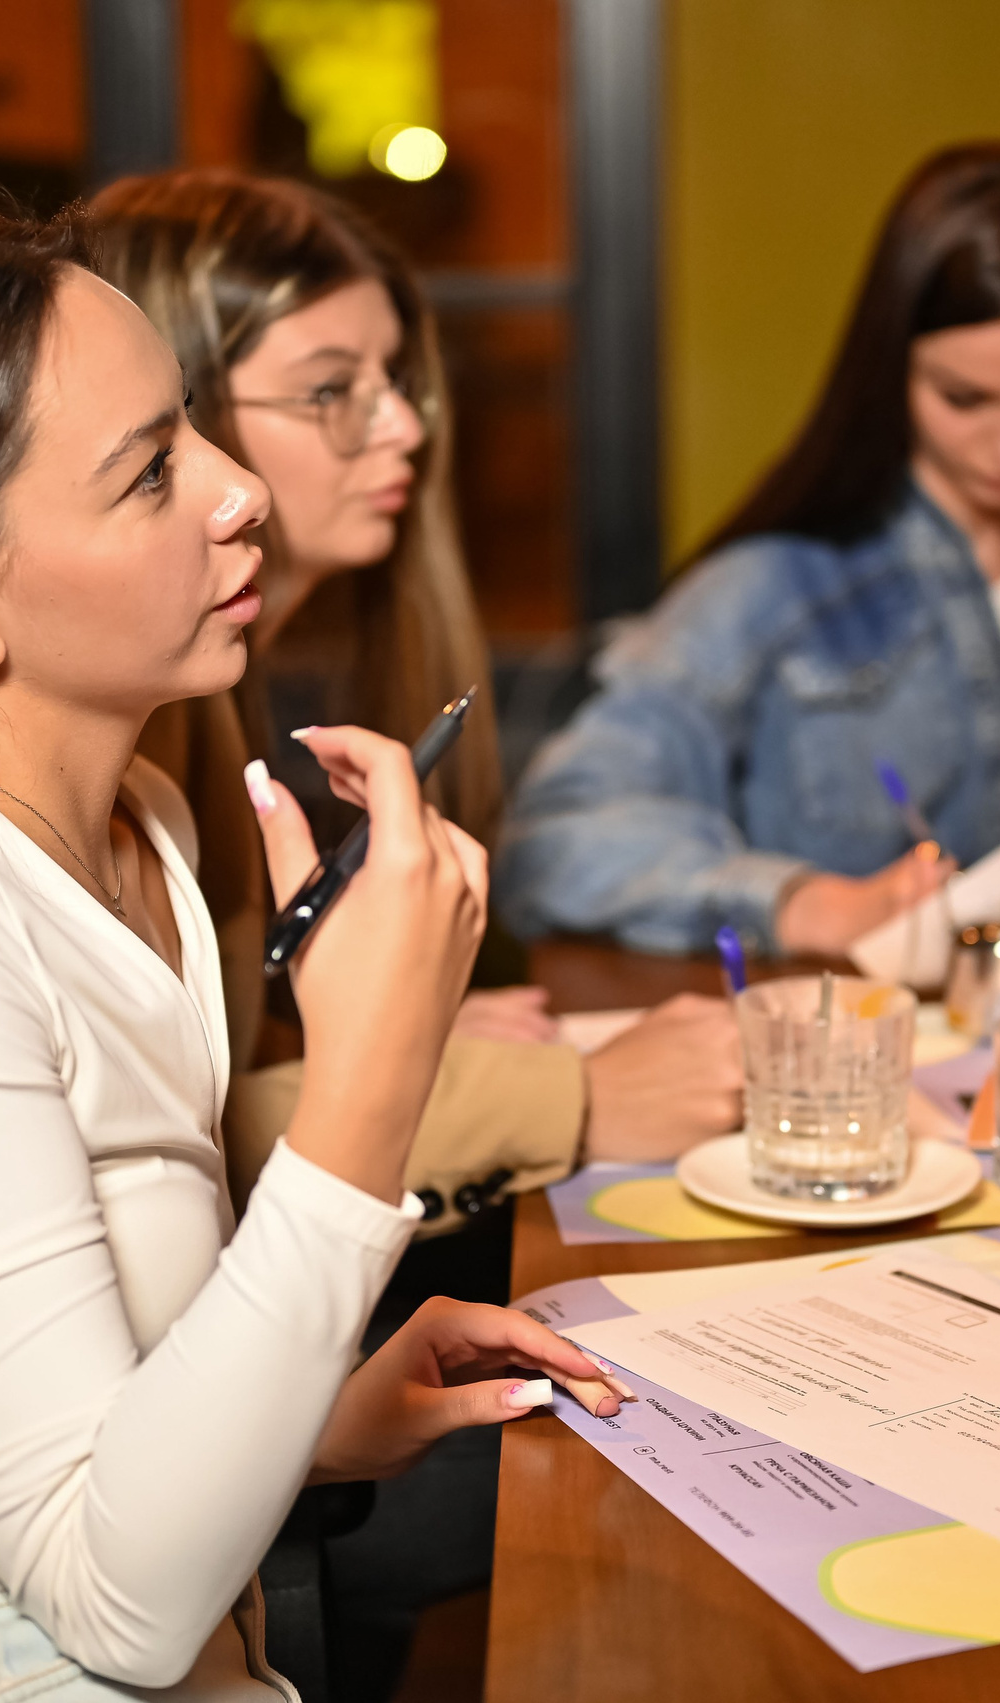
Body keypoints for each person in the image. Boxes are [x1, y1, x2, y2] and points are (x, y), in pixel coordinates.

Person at [0, 211, 624, 1703]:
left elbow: (78, 1434)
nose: (239, 492)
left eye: (196, 430)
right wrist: (371, 1070)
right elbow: (122, 1606)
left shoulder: (146, 825)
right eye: (154, 471)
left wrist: (313, 1421)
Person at [87, 169, 743, 1228]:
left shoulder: (211, 687)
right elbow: (173, 1140)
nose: (401, 424)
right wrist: (569, 1098)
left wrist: (373, 1032)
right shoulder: (132, 710)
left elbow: (207, 1049)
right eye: (331, 390)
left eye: (394, 380)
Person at [497, 140, 1000, 958]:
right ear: (888, 365)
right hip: (848, 1033)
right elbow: (552, 838)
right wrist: (803, 905)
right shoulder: (775, 583)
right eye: (965, 397)